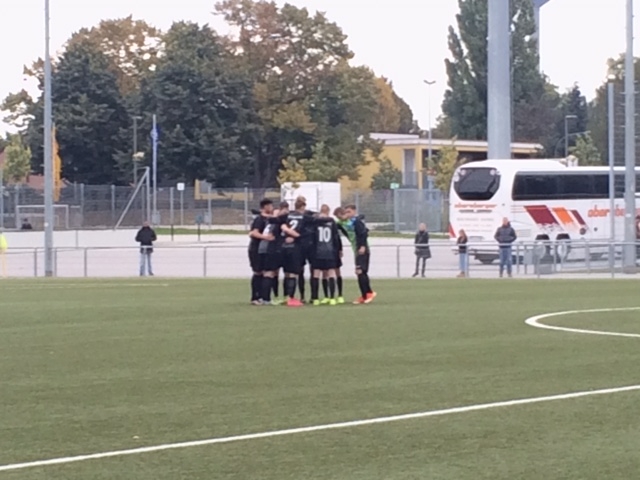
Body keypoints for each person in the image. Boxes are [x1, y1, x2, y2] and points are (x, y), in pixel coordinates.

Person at [310, 205, 342, 306]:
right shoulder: (331, 222)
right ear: (328, 211)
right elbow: (336, 237)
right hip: (329, 251)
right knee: (331, 273)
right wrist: (338, 250)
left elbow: (312, 237)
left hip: (317, 251)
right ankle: (332, 298)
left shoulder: (315, 221)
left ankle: (315, 298)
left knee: (316, 274)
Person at [343, 204, 376, 304]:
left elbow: (364, 233)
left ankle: (368, 293)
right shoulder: (351, 222)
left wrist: (362, 246)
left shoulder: (357, 221)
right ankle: (364, 294)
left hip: (362, 250)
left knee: (361, 271)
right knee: (359, 272)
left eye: (349, 212)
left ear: (354, 211)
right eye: (346, 212)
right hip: (357, 249)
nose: (347, 214)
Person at [280, 198, 308, 307]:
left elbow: (279, 224)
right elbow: (303, 233)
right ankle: (291, 298)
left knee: (287, 273)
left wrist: (286, 231)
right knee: (294, 273)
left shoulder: (287, 216)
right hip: (296, 248)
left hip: (284, 246)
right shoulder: (304, 217)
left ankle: (286, 296)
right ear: (302, 207)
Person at [248, 199, 274, 305]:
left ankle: (264, 297)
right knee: (258, 272)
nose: (272, 208)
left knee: (265, 272)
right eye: (270, 206)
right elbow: (254, 233)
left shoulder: (270, 219)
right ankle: (255, 297)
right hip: (256, 249)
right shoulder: (259, 219)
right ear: (265, 207)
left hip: (265, 250)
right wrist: (266, 237)